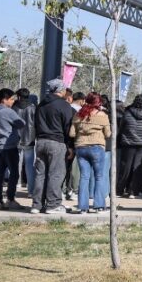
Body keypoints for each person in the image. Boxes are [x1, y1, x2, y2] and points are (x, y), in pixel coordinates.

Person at [30, 80, 73, 214]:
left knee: (40, 174)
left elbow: (35, 123)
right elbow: (68, 126)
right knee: (56, 174)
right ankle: (53, 204)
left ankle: (37, 204)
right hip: (57, 142)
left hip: (41, 141)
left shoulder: (41, 105)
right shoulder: (64, 105)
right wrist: (70, 145)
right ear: (61, 90)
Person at [69, 93, 111, 215]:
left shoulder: (78, 114)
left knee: (84, 177)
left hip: (81, 147)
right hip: (97, 147)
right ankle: (99, 206)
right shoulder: (102, 115)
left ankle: (82, 207)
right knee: (99, 176)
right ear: (98, 103)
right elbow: (108, 134)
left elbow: (72, 133)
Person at [0, 89, 26, 211]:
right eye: (11, 99)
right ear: (4, 100)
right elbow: (21, 123)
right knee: (14, 173)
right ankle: (10, 198)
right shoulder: (7, 111)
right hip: (9, 146)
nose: (13, 101)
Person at [116, 94, 142, 198]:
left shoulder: (127, 113)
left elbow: (121, 127)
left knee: (126, 167)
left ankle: (119, 189)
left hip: (128, 143)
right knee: (138, 168)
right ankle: (133, 190)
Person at [15, 89, 37, 200]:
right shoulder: (33, 108)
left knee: (15, 164)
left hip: (16, 139)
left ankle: (14, 186)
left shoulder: (14, 108)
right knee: (29, 165)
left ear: (19, 96)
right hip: (30, 139)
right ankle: (31, 190)